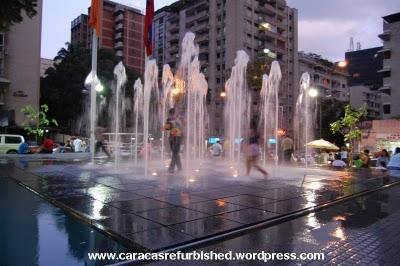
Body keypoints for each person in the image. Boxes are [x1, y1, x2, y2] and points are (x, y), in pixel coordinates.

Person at [163, 108, 182, 173]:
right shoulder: (173, 119)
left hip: (173, 137)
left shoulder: (172, 119)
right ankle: (176, 167)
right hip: (175, 137)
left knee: (175, 153)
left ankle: (175, 168)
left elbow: (166, 128)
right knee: (175, 153)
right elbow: (166, 128)